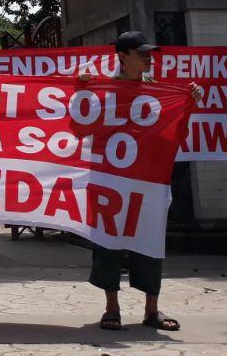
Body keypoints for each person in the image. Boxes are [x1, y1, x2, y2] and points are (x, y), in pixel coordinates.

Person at [82, 31, 200, 333]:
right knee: (108, 242)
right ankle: (112, 307)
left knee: (150, 239)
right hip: (109, 177)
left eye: (150, 53)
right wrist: (81, 93)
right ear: (122, 57)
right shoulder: (101, 91)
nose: (149, 58)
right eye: (142, 53)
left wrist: (188, 103)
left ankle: (151, 309)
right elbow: (77, 127)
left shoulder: (157, 92)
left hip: (147, 179)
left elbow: (170, 133)